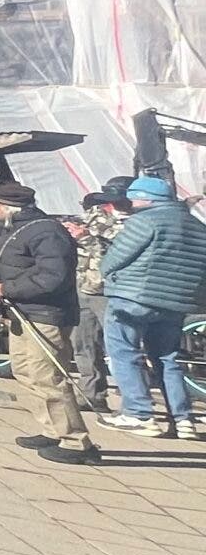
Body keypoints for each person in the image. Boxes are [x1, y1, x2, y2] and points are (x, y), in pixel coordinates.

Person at [0, 179, 97, 462]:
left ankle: (76, 442)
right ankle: (52, 429)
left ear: (8, 208)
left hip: (46, 315)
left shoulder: (46, 232)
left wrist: (5, 289)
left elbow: (52, 276)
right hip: (22, 312)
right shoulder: (16, 226)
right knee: (25, 372)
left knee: (48, 377)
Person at [98, 176, 206, 438]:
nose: (131, 202)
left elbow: (116, 257)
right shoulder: (198, 226)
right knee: (167, 358)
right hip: (174, 304)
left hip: (133, 298)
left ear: (148, 199)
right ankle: (182, 419)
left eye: (134, 197)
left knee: (124, 351)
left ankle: (138, 413)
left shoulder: (144, 221)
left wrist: (106, 272)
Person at [68, 180, 131, 413]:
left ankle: (133, 403)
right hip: (84, 284)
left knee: (121, 346)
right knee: (83, 344)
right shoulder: (96, 214)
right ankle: (91, 394)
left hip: (114, 290)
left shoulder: (139, 222)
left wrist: (86, 237)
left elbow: (119, 253)